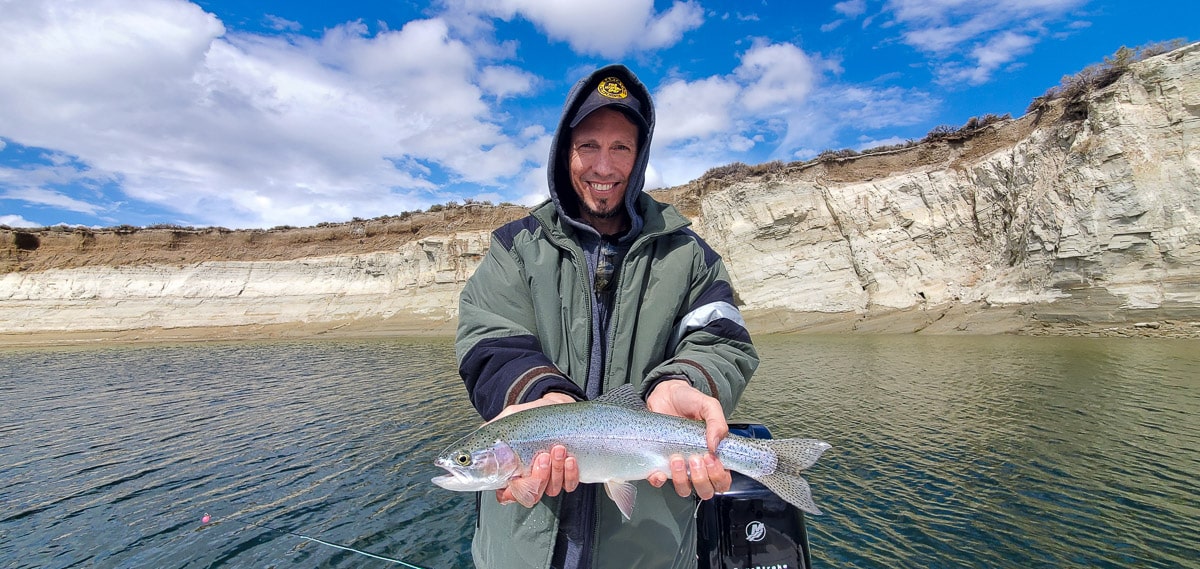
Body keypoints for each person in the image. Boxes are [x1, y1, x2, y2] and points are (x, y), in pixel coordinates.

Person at [455, 64, 758, 569]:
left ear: (640, 157)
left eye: (622, 147)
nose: (604, 166)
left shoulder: (691, 255)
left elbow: (723, 339)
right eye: (588, 146)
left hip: (650, 548)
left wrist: (687, 381)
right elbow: (490, 338)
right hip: (520, 548)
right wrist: (539, 398)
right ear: (563, 152)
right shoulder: (513, 248)